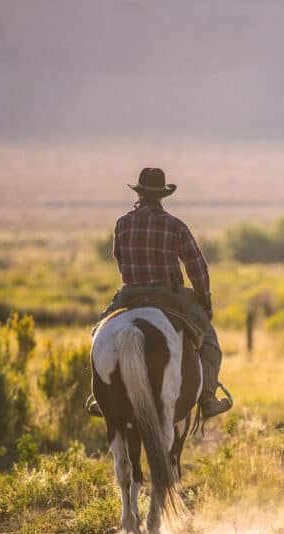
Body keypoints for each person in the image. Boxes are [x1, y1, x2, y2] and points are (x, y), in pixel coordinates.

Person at [88, 167, 231, 419]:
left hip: (130, 294)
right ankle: (207, 397)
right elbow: (197, 267)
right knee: (209, 342)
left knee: (98, 333)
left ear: (140, 193)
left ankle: (103, 395)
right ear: (162, 195)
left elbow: (120, 260)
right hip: (169, 295)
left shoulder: (122, 224)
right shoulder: (175, 226)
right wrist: (204, 301)